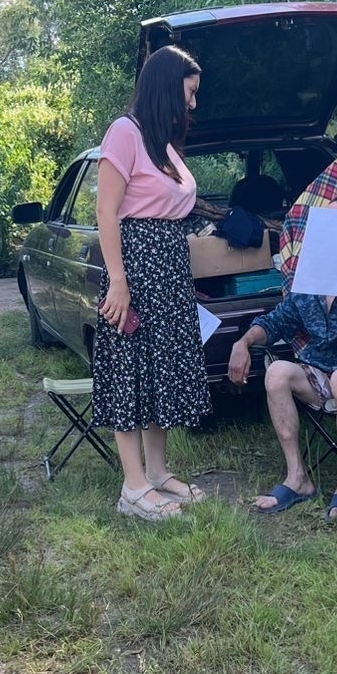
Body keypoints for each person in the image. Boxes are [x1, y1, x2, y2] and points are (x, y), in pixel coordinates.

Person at [93, 46, 212, 522]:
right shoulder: (125, 132)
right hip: (136, 270)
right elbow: (106, 212)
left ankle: (159, 474)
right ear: (168, 86)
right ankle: (133, 486)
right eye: (190, 92)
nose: (194, 103)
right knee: (131, 370)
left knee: (162, 371)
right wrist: (118, 283)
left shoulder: (164, 146)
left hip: (168, 271)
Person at [226, 200, 337, 521]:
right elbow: (276, 322)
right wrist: (242, 342)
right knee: (276, 373)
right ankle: (297, 478)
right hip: (317, 373)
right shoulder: (312, 276)